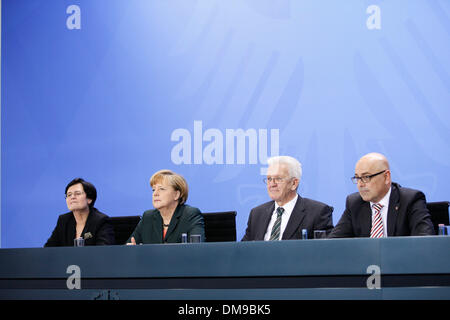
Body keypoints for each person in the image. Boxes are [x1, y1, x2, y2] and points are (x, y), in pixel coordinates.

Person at [329, 152, 434, 238]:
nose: (360, 184)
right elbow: (333, 243)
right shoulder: (354, 203)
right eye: (357, 178)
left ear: (386, 177)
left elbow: (424, 242)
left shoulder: (410, 200)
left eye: (366, 177)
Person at [242, 156, 334, 241]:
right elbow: (244, 251)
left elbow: (324, 251)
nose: (272, 184)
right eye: (269, 179)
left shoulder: (317, 213)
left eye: (278, 179)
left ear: (294, 183)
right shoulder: (257, 214)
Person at [127, 169, 205, 244]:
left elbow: (197, 249)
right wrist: (132, 250)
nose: (155, 194)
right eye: (153, 190)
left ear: (176, 195)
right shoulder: (147, 217)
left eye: (161, 189)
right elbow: (128, 247)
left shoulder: (190, 215)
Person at [44, 178, 115, 246]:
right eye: (69, 195)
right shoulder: (63, 220)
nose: (72, 197)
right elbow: (48, 250)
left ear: (89, 199)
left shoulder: (101, 221)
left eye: (77, 194)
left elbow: (103, 251)